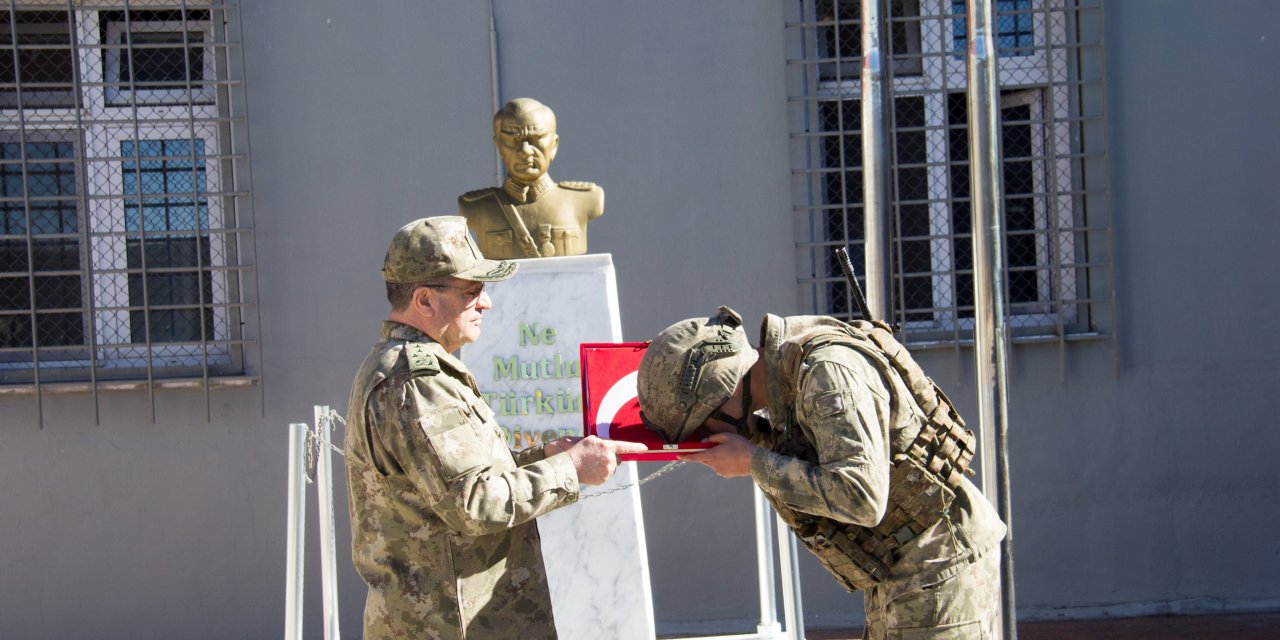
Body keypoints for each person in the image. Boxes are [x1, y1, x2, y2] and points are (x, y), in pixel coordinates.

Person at [344, 215, 646, 639]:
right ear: (425, 300)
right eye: (472, 291)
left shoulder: (415, 369)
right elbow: (473, 503)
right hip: (452, 623)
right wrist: (570, 469)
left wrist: (541, 458)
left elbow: (452, 482)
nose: (485, 303)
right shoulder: (416, 381)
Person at [636, 307, 1007, 639]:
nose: (706, 437)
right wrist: (752, 453)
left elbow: (861, 496)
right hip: (906, 565)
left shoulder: (826, 375)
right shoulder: (791, 378)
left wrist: (752, 461)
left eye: (702, 426)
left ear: (723, 392)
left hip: (937, 565)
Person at [458, 98, 603, 259]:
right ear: (499, 146)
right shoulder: (477, 206)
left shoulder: (584, 198)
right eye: (512, 140)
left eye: (536, 139)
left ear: (554, 145)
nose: (525, 151)